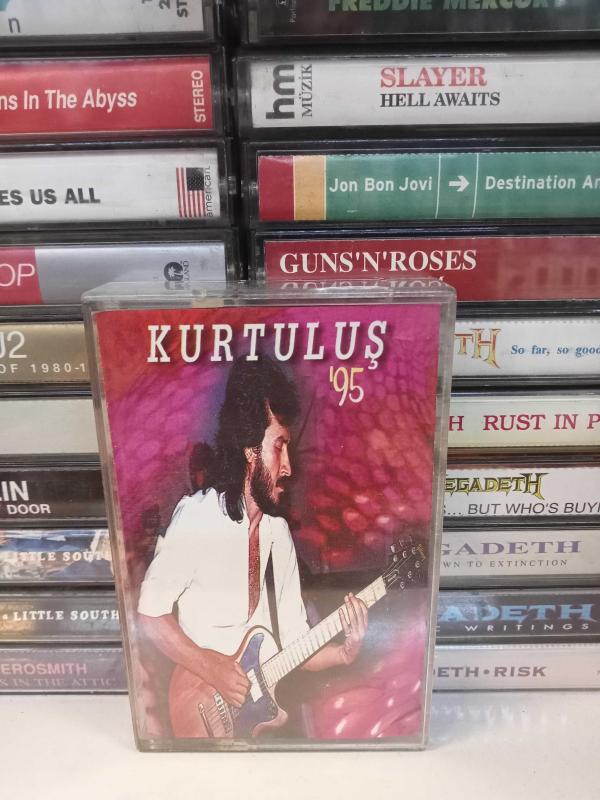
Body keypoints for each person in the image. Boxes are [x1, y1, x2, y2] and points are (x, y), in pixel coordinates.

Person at [138, 355, 368, 712]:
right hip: (198, 706)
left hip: (255, 711)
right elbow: (150, 616)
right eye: (279, 446)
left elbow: (293, 643)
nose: (288, 466)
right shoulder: (199, 517)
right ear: (250, 450)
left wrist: (345, 653)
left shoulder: (278, 533)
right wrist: (211, 669)